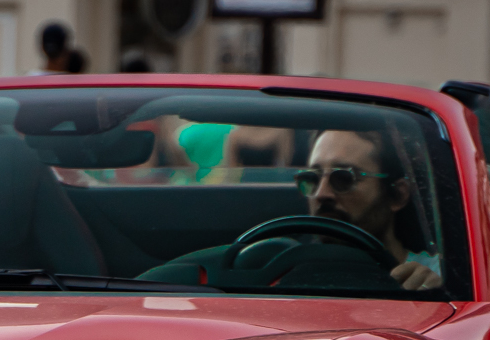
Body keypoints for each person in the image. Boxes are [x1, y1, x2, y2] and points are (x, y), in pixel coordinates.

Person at [138, 124, 441, 291]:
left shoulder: (434, 277)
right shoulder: (275, 269)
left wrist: (435, 293)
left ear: (398, 195)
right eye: (311, 178)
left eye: (342, 178)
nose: (321, 194)